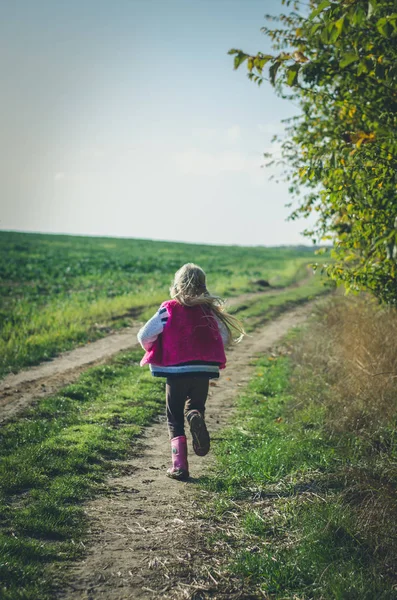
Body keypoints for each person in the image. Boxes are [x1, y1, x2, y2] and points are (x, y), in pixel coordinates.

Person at [137, 263, 245, 481]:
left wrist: (156, 349)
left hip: (176, 372)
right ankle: (195, 415)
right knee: (195, 406)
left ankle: (180, 467)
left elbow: (144, 335)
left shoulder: (168, 309)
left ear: (177, 286)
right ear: (203, 286)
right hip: (202, 370)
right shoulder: (209, 312)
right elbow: (223, 338)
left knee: (173, 417)